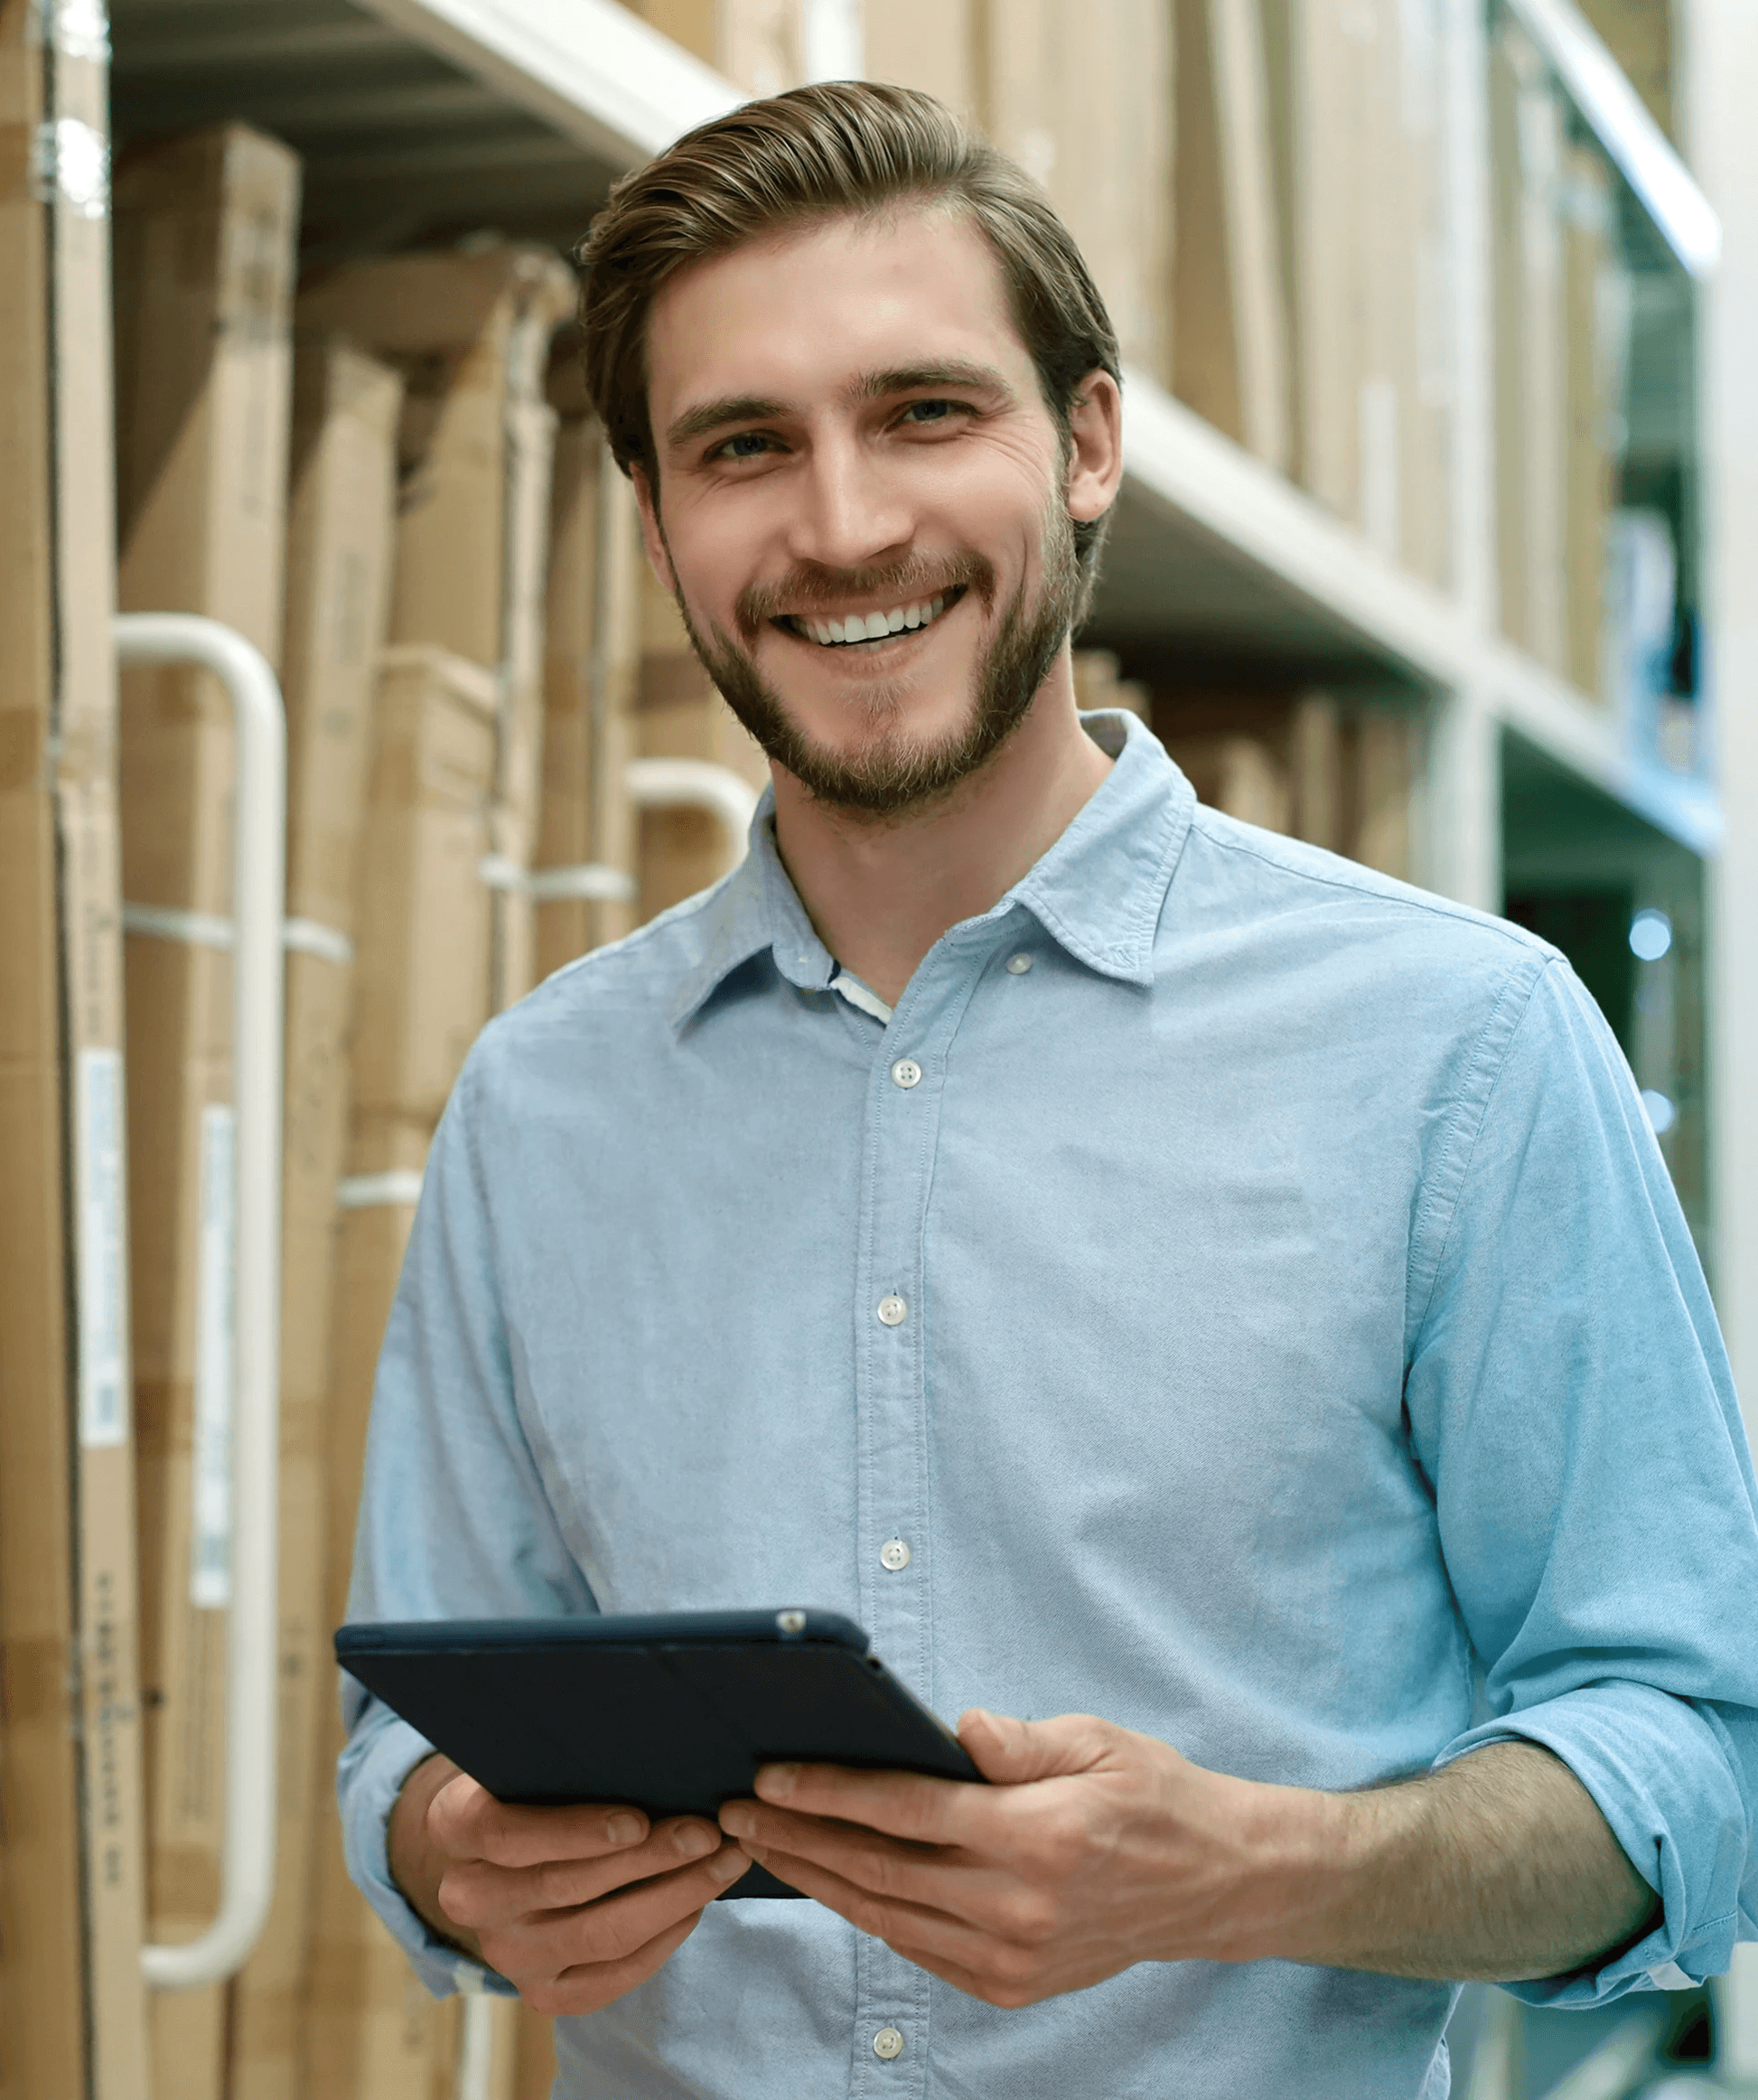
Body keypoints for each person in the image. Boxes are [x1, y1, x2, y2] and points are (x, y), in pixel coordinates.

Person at [340, 82, 1758, 2099]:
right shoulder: (538, 1104)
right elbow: (403, 1748)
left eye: (924, 412)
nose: (841, 526)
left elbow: (1697, 1760)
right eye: (746, 448)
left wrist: (1246, 1868)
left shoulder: (1462, 1042)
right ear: (657, 521)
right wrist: (452, 1851)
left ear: (1085, 444)